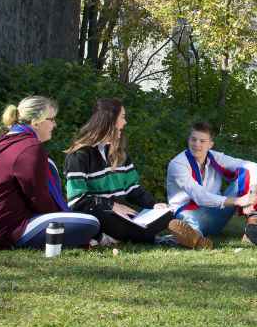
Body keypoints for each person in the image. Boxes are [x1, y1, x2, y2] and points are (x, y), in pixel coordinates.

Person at [0, 96, 101, 250]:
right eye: (51, 119)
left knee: (49, 165)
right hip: (2, 232)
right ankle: (87, 237)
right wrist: (64, 219)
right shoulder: (31, 147)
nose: (55, 124)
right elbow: (40, 201)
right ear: (35, 122)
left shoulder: (5, 141)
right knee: (90, 223)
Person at [64, 98, 175, 245]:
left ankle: (115, 238)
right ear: (109, 120)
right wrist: (112, 206)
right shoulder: (80, 155)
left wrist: (153, 205)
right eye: (122, 117)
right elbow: (76, 200)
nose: (125, 122)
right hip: (99, 217)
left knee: (167, 215)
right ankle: (153, 239)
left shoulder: (119, 151)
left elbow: (131, 188)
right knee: (97, 214)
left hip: (120, 219)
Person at [166, 121, 257, 249]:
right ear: (189, 140)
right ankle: (195, 237)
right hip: (190, 212)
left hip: (216, 214)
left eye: (202, 141)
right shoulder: (178, 164)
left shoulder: (216, 158)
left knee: (248, 175)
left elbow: (254, 167)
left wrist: (252, 194)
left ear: (210, 144)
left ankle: (252, 224)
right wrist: (239, 200)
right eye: (193, 140)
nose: (197, 145)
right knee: (186, 218)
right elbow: (199, 196)